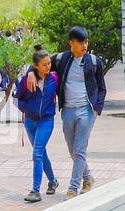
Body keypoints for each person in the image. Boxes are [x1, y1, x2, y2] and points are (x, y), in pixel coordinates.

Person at [31, 25, 107, 198]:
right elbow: (41, 62)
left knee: (80, 150)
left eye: (86, 42)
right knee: (72, 149)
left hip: (87, 111)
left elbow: (102, 88)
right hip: (67, 111)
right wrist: (30, 72)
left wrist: (97, 109)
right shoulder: (61, 59)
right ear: (71, 43)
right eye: (81, 42)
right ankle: (88, 178)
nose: (85, 46)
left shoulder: (94, 62)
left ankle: (73, 187)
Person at [13, 47, 59, 203]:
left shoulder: (54, 78)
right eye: (44, 64)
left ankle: (35, 191)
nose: (48, 67)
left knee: (37, 153)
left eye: (49, 63)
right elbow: (16, 99)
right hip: (30, 122)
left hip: (46, 121)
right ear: (36, 65)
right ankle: (53, 181)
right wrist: (27, 109)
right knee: (41, 153)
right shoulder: (27, 80)